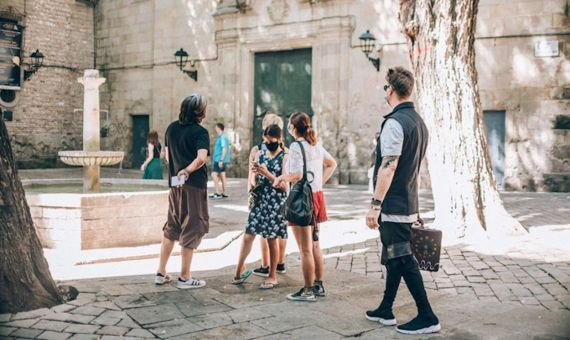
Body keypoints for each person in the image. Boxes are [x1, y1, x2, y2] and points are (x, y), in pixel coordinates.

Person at [364, 67, 440, 334]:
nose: (385, 92)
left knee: (403, 259)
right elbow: (413, 168)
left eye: (386, 88)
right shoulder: (419, 122)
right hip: (406, 204)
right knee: (395, 257)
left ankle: (427, 316)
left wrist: (375, 205)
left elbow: (390, 166)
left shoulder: (395, 123)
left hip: (394, 206)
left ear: (391, 90)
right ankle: (386, 308)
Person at [274, 112, 337, 302]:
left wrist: (280, 178)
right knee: (315, 245)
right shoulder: (315, 144)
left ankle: (308, 290)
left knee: (305, 249)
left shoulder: (296, 146)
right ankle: (318, 284)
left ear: (293, 128)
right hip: (316, 196)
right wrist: (319, 183)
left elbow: (296, 175)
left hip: (303, 198)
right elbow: (332, 163)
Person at [154, 94, 210, 289]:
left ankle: (161, 273)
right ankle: (185, 277)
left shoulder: (171, 128)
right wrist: (187, 169)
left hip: (175, 185)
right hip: (194, 186)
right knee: (192, 226)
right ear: (200, 112)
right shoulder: (200, 132)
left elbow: (166, 155)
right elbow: (201, 157)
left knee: (172, 226)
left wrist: (178, 170)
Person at [232, 124, 289, 289]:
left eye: (271, 140)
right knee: (248, 235)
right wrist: (254, 175)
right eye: (266, 140)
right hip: (260, 200)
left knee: (271, 238)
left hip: (275, 202)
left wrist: (267, 174)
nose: (268, 143)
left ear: (279, 139)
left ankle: (272, 276)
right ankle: (238, 271)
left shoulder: (285, 157)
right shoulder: (259, 153)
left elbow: (285, 187)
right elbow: (252, 181)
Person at [250, 113, 288, 277]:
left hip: (267, 196)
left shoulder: (258, 150)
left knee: (265, 232)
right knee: (281, 230)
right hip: (281, 198)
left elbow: (252, 178)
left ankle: (266, 264)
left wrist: (250, 195)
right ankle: (279, 262)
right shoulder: (286, 151)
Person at [210, 123, 231, 199]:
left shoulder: (222, 137)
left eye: (216, 128)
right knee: (222, 175)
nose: (215, 129)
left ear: (218, 128)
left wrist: (221, 160)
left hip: (219, 160)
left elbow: (224, 149)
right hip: (220, 159)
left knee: (214, 174)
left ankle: (218, 193)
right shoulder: (222, 137)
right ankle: (225, 193)